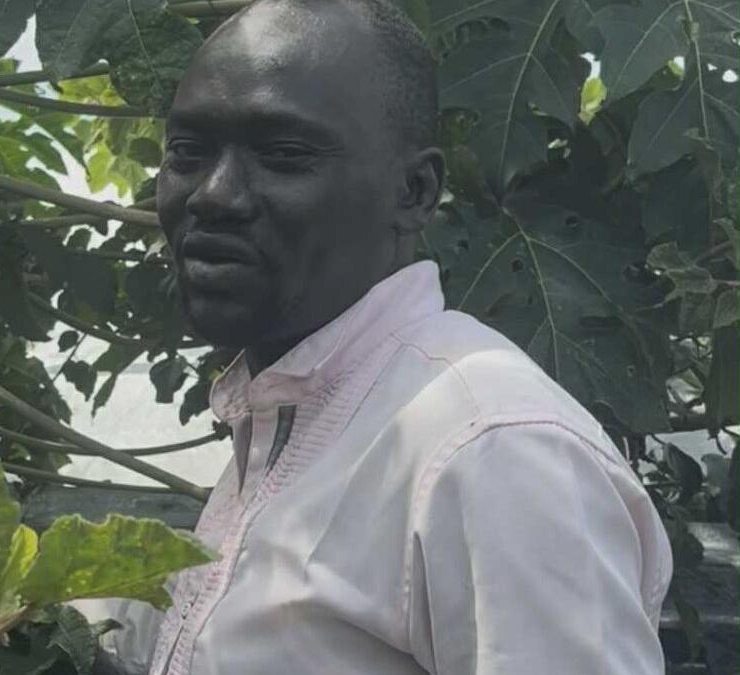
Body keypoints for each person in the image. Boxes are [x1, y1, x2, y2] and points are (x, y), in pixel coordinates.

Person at [89, 0, 673, 673]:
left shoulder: (492, 450)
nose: (213, 194)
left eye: (283, 155)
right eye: (187, 152)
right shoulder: (295, 410)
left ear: (415, 192)